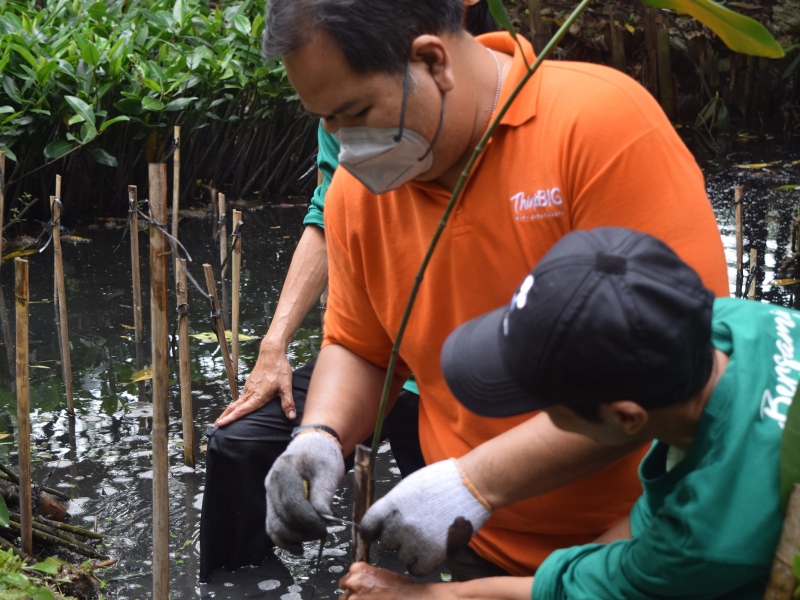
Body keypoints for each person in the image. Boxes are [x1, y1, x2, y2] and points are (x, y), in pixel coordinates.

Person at [261, 0, 731, 581]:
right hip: (472, 540)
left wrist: (475, 482)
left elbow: (681, 367)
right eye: (324, 120)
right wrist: (320, 435)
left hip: (647, 540)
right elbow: (362, 345)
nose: (344, 145)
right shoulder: (356, 198)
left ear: (433, 61)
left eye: (354, 112)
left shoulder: (599, 125)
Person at [199, 0, 498, 581]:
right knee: (240, 444)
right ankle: (239, 588)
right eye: (330, 118)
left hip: (464, 373)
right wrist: (275, 345)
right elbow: (327, 214)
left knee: (452, 533)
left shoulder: (485, 110)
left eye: (349, 113)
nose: (340, 133)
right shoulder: (349, 108)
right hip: (376, 352)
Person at [337, 227, 792, 600]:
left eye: (543, 404)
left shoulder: (707, 536)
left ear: (627, 419)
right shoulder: (738, 322)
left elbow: (581, 591)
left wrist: (426, 597)